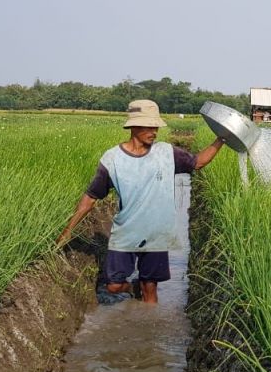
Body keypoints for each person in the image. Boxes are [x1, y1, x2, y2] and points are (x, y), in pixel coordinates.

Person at [56, 99, 226, 303]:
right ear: (133, 126)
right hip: (126, 233)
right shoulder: (112, 159)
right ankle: (131, 287)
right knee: (113, 286)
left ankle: (150, 330)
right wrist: (67, 232)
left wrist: (221, 139)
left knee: (150, 289)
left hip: (156, 234)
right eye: (148, 126)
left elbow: (198, 162)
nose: (154, 131)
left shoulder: (167, 153)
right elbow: (91, 197)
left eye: (155, 126)